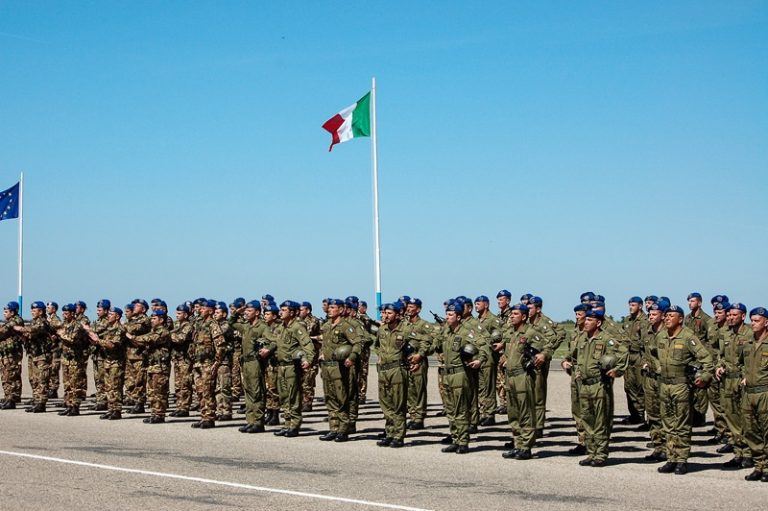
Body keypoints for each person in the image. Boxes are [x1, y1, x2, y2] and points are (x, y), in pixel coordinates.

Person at [656, 305, 714, 475]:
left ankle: (681, 460)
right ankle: (671, 458)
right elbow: (651, 354)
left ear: (680, 319)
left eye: (671, 316)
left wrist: (703, 377)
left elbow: (707, 359)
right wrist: (656, 365)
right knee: (667, 423)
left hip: (681, 386)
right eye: (666, 316)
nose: (667, 318)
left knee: (681, 424)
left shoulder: (688, 337)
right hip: (664, 385)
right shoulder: (661, 336)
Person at [572, 309, 626, 467]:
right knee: (587, 420)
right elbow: (574, 357)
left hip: (599, 384)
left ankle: (601, 454)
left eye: (590, 320)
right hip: (585, 385)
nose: (586, 322)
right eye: (586, 319)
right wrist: (576, 371)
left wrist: (617, 370)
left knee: (601, 420)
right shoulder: (582, 339)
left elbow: (623, 353)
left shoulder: (607, 340)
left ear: (599, 323)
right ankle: (591, 452)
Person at [433, 302, 486, 454]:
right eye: (446, 315)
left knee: (461, 409)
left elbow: (483, 346)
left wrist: (479, 360)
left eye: (450, 315)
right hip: (447, 375)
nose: (447, 317)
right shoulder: (446, 332)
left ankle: (463, 441)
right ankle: (455, 438)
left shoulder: (466, 332)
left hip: (460, 374)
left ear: (458, 316)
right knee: (450, 410)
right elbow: (434, 345)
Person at [497, 303, 543, 460]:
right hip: (510, 377)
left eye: (515, 314)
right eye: (511, 314)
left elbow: (545, 348)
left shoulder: (530, 333)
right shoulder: (511, 333)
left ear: (523, 316)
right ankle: (518, 444)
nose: (511, 316)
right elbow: (509, 352)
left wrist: (540, 357)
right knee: (513, 412)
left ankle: (526, 447)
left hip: (523, 376)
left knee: (525, 412)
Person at [318, 298, 362, 442]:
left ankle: (343, 429)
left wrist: (352, 357)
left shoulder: (346, 327)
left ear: (341, 310)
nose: (329, 310)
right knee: (329, 398)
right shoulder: (325, 326)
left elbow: (357, 343)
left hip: (339, 367)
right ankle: (333, 428)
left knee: (341, 398)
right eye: (329, 307)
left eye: (333, 307)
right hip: (327, 366)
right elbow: (325, 345)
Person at [269, 301, 314, 437]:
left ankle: (294, 425)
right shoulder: (281, 327)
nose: (281, 312)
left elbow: (307, 344)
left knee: (293, 396)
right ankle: (287, 423)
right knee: (283, 396)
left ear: (292, 312)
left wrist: (308, 360)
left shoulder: (297, 327)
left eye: (284, 310)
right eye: (281, 310)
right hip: (280, 366)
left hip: (291, 367)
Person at [716, 302, 753, 469]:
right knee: (731, 418)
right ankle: (739, 453)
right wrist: (719, 366)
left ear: (743, 316)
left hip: (743, 383)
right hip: (727, 382)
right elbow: (721, 355)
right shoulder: (727, 334)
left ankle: (749, 454)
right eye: (729, 315)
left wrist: (746, 375)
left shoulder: (750, 335)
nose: (730, 318)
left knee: (746, 420)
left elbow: (753, 360)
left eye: (734, 315)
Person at [231, 300, 270, 433]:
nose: (246, 313)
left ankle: (258, 421)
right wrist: (238, 311)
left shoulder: (262, 327)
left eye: (249, 310)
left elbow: (272, 341)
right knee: (247, 391)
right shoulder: (246, 326)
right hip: (245, 362)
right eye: (246, 311)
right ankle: (250, 420)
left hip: (255, 362)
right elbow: (232, 323)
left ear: (257, 312)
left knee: (256, 391)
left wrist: (267, 349)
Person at [127, 309, 171, 423]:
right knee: (152, 391)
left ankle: (159, 414)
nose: (151, 320)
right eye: (151, 318)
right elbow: (142, 340)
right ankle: (154, 413)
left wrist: (131, 337)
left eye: (154, 318)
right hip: (152, 365)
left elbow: (148, 339)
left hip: (160, 367)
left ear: (161, 320)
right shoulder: (153, 331)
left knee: (159, 391)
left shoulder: (163, 332)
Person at [83, 306, 126, 420]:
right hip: (108, 361)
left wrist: (98, 340)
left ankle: (116, 410)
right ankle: (110, 409)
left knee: (115, 387)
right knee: (108, 387)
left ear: (117, 317)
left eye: (111, 315)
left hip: (116, 362)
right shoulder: (109, 328)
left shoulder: (119, 329)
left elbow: (112, 344)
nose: (108, 317)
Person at [741, 307, 768, 482]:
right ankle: (759, 465)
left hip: (765, 392)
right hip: (749, 393)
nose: (753, 323)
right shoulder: (748, 342)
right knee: (751, 430)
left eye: (757, 320)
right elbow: (742, 363)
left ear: (766, 322)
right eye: (752, 320)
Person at [191, 300, 226, 429]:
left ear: (210, 311)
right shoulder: (199, 324)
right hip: (198, 363)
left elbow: (221, 345)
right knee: (199, 391)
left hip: (208, 363)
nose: (200, 310)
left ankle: (209, 418)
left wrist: (216, 363)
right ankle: (203, 416)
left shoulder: (213, 325)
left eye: (203, 308)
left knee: (207, 391)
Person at [13, 301, 52, 412]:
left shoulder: (43, 322)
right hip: (33, 354)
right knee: (33, 379)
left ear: (40, 311)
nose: (32, 312)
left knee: (42, 379)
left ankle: (41, 403)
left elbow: (34, 329)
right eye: (32, 310)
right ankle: (36, 400)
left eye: (34, 310)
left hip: (42, 355)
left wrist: (20, 329)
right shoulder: (34, 321)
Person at [402, 297, 434, 430]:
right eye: (408, 306)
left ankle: (419, 418)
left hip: (419, 361)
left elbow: (432, 343)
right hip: (405, 361)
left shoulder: (425, 325)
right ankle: (412, 415)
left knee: (418, 390)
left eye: (412, 307)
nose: (409, 309)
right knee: (409, 390)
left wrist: (420, 355)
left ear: (418, 309)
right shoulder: (403, 324)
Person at [562, 304, 588, 455]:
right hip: (574, 374)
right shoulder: (575, 332)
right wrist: (565, 361)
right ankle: (582, 441)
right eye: (576, 314)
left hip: (586, 376)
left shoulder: (591, 333)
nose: (577, 317)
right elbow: (571, 352)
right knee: (577, 409)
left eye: (580, 314)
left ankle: (591, 442)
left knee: (587, 410)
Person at [56, 304, 89, 416]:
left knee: (76, 384)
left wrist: (62, 334)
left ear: (72, 313)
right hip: (66, 358)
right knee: (67, 384)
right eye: (63, 313)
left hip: (75, 359)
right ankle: (69, 404)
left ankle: (75, 406)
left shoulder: (77, 326)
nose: (64, 316)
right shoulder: (64, 324)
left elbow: (72, 339)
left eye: (66, 313)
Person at [685, 292, 712, 427]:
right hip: (690, 358)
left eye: (693, 301)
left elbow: (709, 340)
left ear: (700, 303)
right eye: (689, 301)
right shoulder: (686, 319)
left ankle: (700, 416)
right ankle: (693, 414)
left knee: (700, 389)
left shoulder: (706, 319)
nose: (690, 303)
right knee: (691, 387)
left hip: (701, 357)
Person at [621, 296, 648, 425]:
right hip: (628, 356)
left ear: (640, 306)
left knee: (640, 386)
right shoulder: (627, 320)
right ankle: (634, 414)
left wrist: (644, 360)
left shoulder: (644, 321)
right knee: (628, 386)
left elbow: (646, 342)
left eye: (633, 305)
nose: (631, 307)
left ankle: (641, 414)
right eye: (630, 305)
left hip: (639, 356)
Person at [124, 299, 151, 413]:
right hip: (130, 354)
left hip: (140, 355)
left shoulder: (144, 320)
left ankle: (140, 403)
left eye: (137, 306)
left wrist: (122, 327)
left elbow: (132, 329)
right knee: (130, 380)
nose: (134, 307)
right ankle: (133, 400)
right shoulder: (131, 319)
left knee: (139, 381)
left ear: (143, 309)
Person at [169, 305, 194, 418]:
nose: (177, 315)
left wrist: (168, 335)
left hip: (185, 359)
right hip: (177, 358)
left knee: (185, 384)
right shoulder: (176, 325)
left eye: (179, 314)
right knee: (178, 384)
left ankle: (184, 407)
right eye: (177, 313)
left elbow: (180, 338)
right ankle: (179, 406)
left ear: (185, 314)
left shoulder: (188, 325)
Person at [0, 301, 24, 408]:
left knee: (11, 376)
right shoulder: (9, 321)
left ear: (13, 312)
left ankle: (11, 399)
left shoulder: (16, 321)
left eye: (6, 311)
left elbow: (3, 331)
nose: (4, 313)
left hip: (13, 353)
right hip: (6, 353)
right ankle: (8, 397)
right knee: (6, 375)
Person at [299, 301, 321, 412]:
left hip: (311, 354)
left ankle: (307, 402)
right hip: (300, 354)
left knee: (308, 380)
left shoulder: (314, 321)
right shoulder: (297, 321)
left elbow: (307, 335)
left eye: (302, 310)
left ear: (308, 310)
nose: (299, 312)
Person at [46, 302, 63, 399]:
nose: (48, 309)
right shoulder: (47, 319)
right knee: (48, 369)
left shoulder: (56, 320)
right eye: (47, 307)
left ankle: (53, 389)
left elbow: (59, 331)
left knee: (54, 369)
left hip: (54, 349)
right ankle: (49, 388)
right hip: (48, 349)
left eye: (50, 307)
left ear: (54, 309)